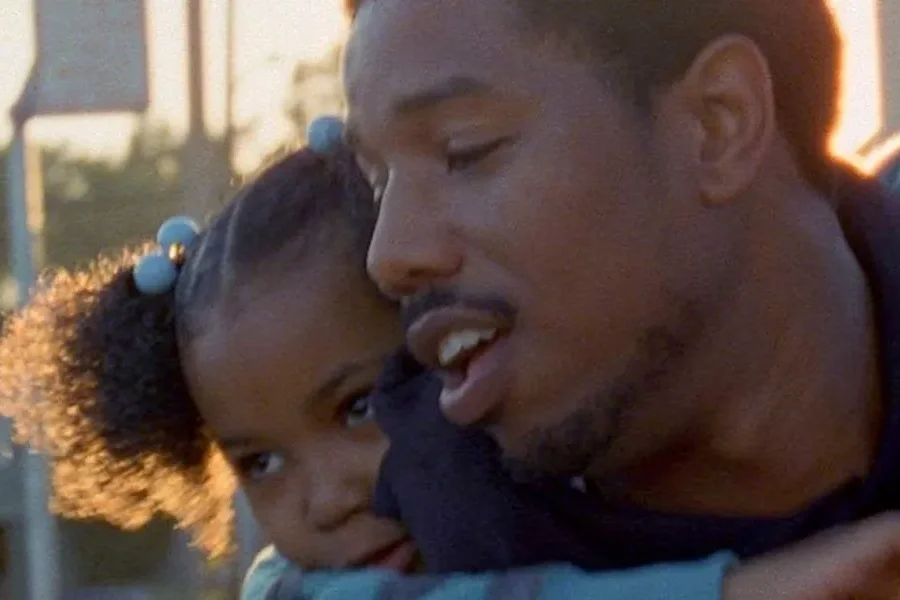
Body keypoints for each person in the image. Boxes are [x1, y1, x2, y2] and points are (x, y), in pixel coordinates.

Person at [343, 0, 900, 565]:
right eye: (377, 183)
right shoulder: (387, 559)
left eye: (464, 151)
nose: (387, 256)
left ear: (719, 121)